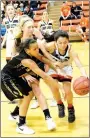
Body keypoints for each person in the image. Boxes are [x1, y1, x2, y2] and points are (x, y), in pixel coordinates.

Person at [29, 30, 88, 123]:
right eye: (60, 43)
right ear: (55, 42)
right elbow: (40, 50)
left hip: (67, 68)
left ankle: (70, 108)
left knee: (67, 91)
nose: (63, 45)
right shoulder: (50, 46)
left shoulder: (71, 50)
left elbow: (79, 64)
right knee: (54, 87)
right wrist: (49, 62)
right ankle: (60, 104)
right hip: (53, 68)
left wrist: (85, 75)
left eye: (65, 42)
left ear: (68, 41)